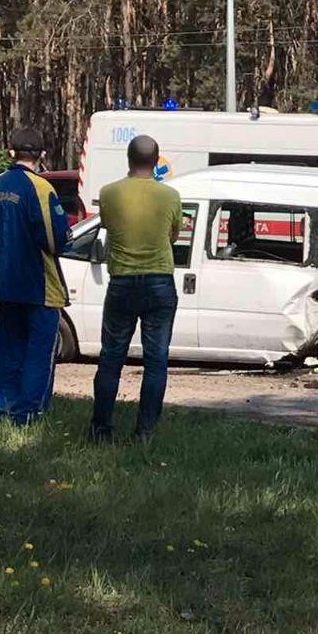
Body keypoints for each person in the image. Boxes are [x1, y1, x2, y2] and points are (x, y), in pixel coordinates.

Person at [89, 135, 183, 443]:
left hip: (122, 284)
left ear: (128, 159)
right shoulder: (170, 196)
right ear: (157, 162)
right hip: (159, 282)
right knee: (156, 361)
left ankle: (101, 430)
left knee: (111, 357)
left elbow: (108, 228)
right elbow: (173, 235)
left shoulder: (109, 193)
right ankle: (145, 433)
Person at [0, 126, 71, 425]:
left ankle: (6, 408)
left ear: (10, 152)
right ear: (41, 155)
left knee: (9, 350)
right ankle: (29, 413)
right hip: (40, 286)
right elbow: (57, 239)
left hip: (5, 285)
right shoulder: (42, 189)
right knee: (39, 353)